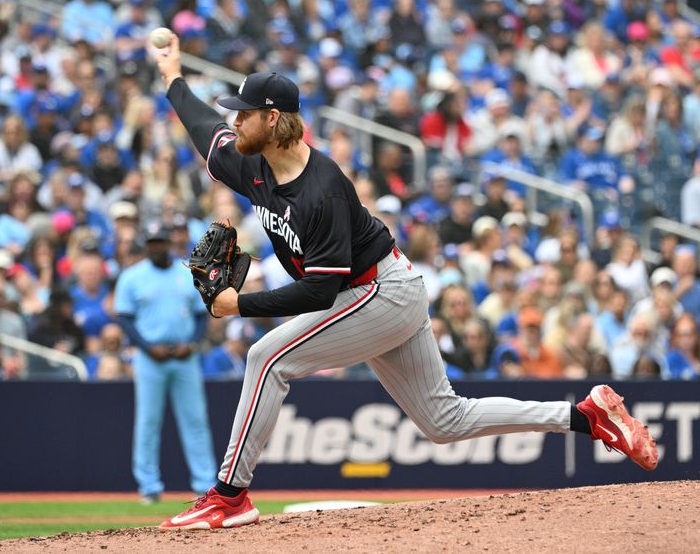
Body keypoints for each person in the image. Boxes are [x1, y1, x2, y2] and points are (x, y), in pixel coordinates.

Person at [152, 36, 659, 530]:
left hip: (378, 292)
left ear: (273, 120)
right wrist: (172, 75)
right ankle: (588, 416)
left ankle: (230, 496)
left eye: (244, 112)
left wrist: (237, 305)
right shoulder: (251, 163)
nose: (235, 121)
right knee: (445, 422)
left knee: (267, 358)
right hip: (381, 290)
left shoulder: (322, 190)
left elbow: (320, 293)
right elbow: (204, 129)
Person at [114, 222, 217, 505]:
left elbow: (201, 314)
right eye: (152, 242)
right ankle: (148, 486)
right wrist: (146, 347)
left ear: (170, 243)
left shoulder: (188, 274)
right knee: (148, 421)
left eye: (161, 241)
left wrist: (193, 343)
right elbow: (124, 317)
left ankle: (205, 485)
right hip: (150, 358)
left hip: (185, 356)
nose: (157, 247)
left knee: (195, 420)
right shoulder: (132, 277)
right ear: (146, 245)